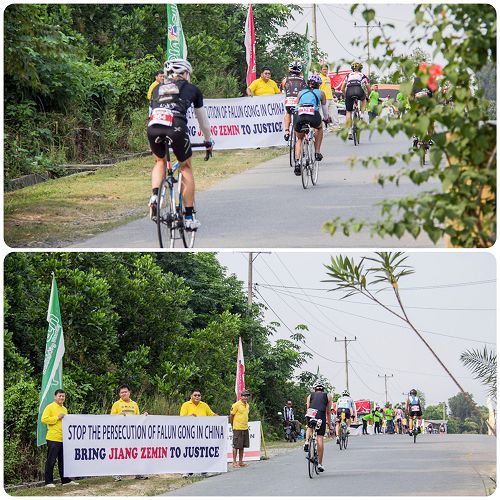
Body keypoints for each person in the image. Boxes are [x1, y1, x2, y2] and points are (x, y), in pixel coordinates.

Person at [147, 58, 213, 228]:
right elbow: (203, 121)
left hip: (154, 126)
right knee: (185, 166)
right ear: (185, 73)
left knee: (160, 161)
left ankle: (155, 195)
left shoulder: (157, 89)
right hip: (175, 126)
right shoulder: (192, 89)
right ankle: (189, 217)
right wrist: (208, 140)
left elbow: (151, 112)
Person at [41, 389, 79, 487]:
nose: (61, 398)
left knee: (63, 461)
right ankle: (48, 482)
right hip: (53, 438)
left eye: (63, 396)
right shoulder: (50, 407)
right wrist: (57, 418)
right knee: (51, 460)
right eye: (60, 396)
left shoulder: (65, 409)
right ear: (55, 397)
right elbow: (44, 419)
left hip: (64, 439)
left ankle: (65, 481)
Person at [110, 384, 149, 481]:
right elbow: (111, 418)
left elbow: (138, 418)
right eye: (122, 392)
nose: (124, 394)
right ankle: (117, 473)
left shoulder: (134, 404)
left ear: (129, 392)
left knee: (135, 453)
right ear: (119, 394)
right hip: (120, 433)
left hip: (132, 433)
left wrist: (143, 416)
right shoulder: (116, 404)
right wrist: (119, 415)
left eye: (125, 392)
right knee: (120, 453)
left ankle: (138, 473)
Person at [293, 74, 329, 175]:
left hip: (299, 114)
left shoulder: (300, 93)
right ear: (318, 85)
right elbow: (325, 111)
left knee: (299, 139)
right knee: (319, 128)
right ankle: (317, 152)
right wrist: (326, 119)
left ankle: (298, 162)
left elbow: (296, 104)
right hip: (313, 114)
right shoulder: (321, 93)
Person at [180, 390, 217, 478]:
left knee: (202, 452)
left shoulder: (204, 405)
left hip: (202, 433)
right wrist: (190, 417)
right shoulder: (185, 405)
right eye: (195, 395)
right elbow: (181, 418)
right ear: (191, 396)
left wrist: (221, 418)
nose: (197, 397)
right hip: (189, 433)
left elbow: (212, 415)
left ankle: (204, 471)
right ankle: (187, 471)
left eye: (199, 395)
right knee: (189, 452)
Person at [303, 382, 332, 473]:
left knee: (309, 427)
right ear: (323, 389)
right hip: (320, 415)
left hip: (311, 413)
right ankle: (319, 464)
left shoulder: (309, 396)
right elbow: (328, 412)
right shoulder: (328, 396)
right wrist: (329, 424)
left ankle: (307, 442)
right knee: (319, 437)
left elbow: (308, 408)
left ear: (314, 389)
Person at [341, 61, 370, 140]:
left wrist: (345, 95)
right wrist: (367, 96)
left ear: (352, 69)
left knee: (349, 111)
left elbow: (342, 88)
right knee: (363, 99)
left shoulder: (348, 75)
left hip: (349, 91)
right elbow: (368, 88)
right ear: (360, 69)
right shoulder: (363, 75)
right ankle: (361, 114)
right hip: (359, 89)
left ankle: (349, 131)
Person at [281, 62, 306, 142]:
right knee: (302, 114)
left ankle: (287, 131)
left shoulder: (285, 79)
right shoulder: (303, 80)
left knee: (288, 113)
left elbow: (283, 89)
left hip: (289, 101)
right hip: (299, 102)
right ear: (300, 70)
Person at [230, 389, 250, 468]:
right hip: (237, 428)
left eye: (247, 396)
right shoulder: (236, 405)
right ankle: (234, 462)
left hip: (245, 427)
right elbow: (231, 415)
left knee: (242, 445)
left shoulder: (247, 405)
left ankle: (241, 461)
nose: (245, 397)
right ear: (241, 397)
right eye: (244, 396)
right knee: (236, 446)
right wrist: (232, 425)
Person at [319, 64, 339, 129]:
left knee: (334, 111)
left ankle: (335, 126)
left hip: (330, 98)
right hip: (323, 99)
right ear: (320, 70)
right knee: (323, 114)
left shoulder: (328, 78)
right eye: (324, 69)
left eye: (326, 69)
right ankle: (323, 127)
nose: (325, 71)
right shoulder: (319, 78)